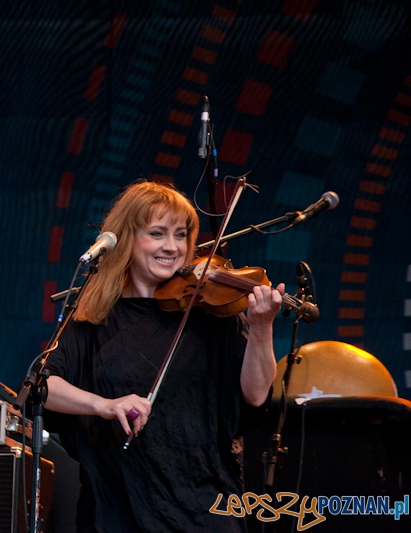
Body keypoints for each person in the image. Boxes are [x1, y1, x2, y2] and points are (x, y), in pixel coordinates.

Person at [43, 180, 283, 532]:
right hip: (117, 507)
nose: (172, 247)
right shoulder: (94, 315)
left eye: (181, 235)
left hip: (203, 507)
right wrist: (104, 405)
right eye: (157, 234)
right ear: (127, 238)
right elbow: (44, 386)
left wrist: (262, 328)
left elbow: (256, 394)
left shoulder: (212, 309)